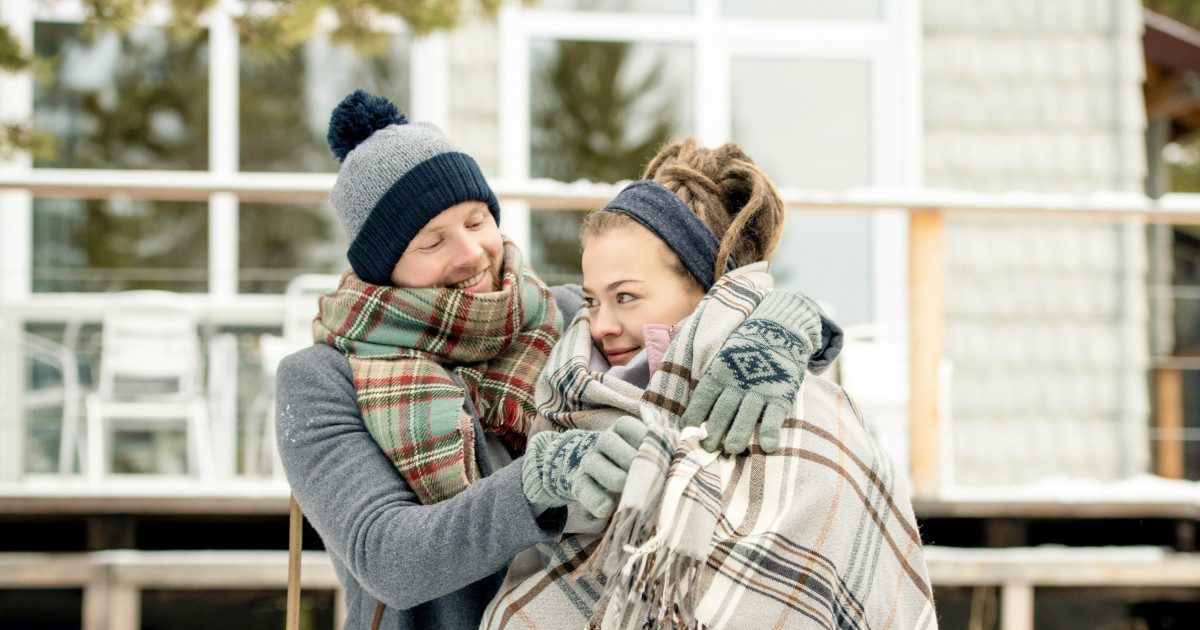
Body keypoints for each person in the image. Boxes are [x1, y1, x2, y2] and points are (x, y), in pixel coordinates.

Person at [275, 92, 821, 630]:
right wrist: (538, 483)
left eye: (474, 221)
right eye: (431, 242)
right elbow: (387, 557)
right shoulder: (322, 381)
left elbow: (688, 313)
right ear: (383, 265)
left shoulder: (562, 313)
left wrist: (782, 323)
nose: (469, 253)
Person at [481, 139, 936, 629]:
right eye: (593, 300)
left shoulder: (804, 414)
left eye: (627, 297)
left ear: (706, 287)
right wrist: (543, 480)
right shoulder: (571, 383)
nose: (601, 325)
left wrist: (793, 314)